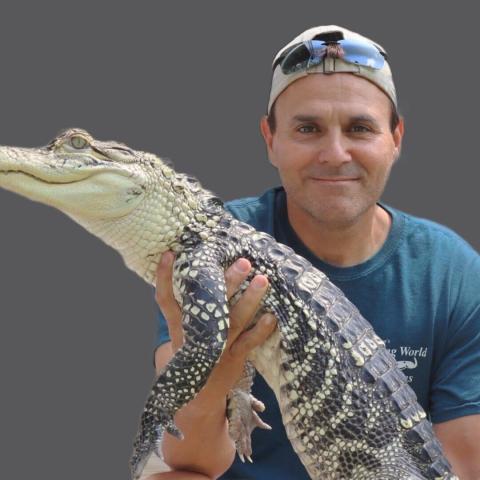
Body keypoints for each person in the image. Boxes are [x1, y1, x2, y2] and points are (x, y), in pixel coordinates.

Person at [145, 25, 480, 479]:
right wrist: (216, 365)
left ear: (396, 138)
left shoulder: (454, 272)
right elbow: (190, 461)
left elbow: (463, 465)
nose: (335, 153)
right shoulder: (216, 243)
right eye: (308, 128)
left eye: (360, 128)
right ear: (270, 139)